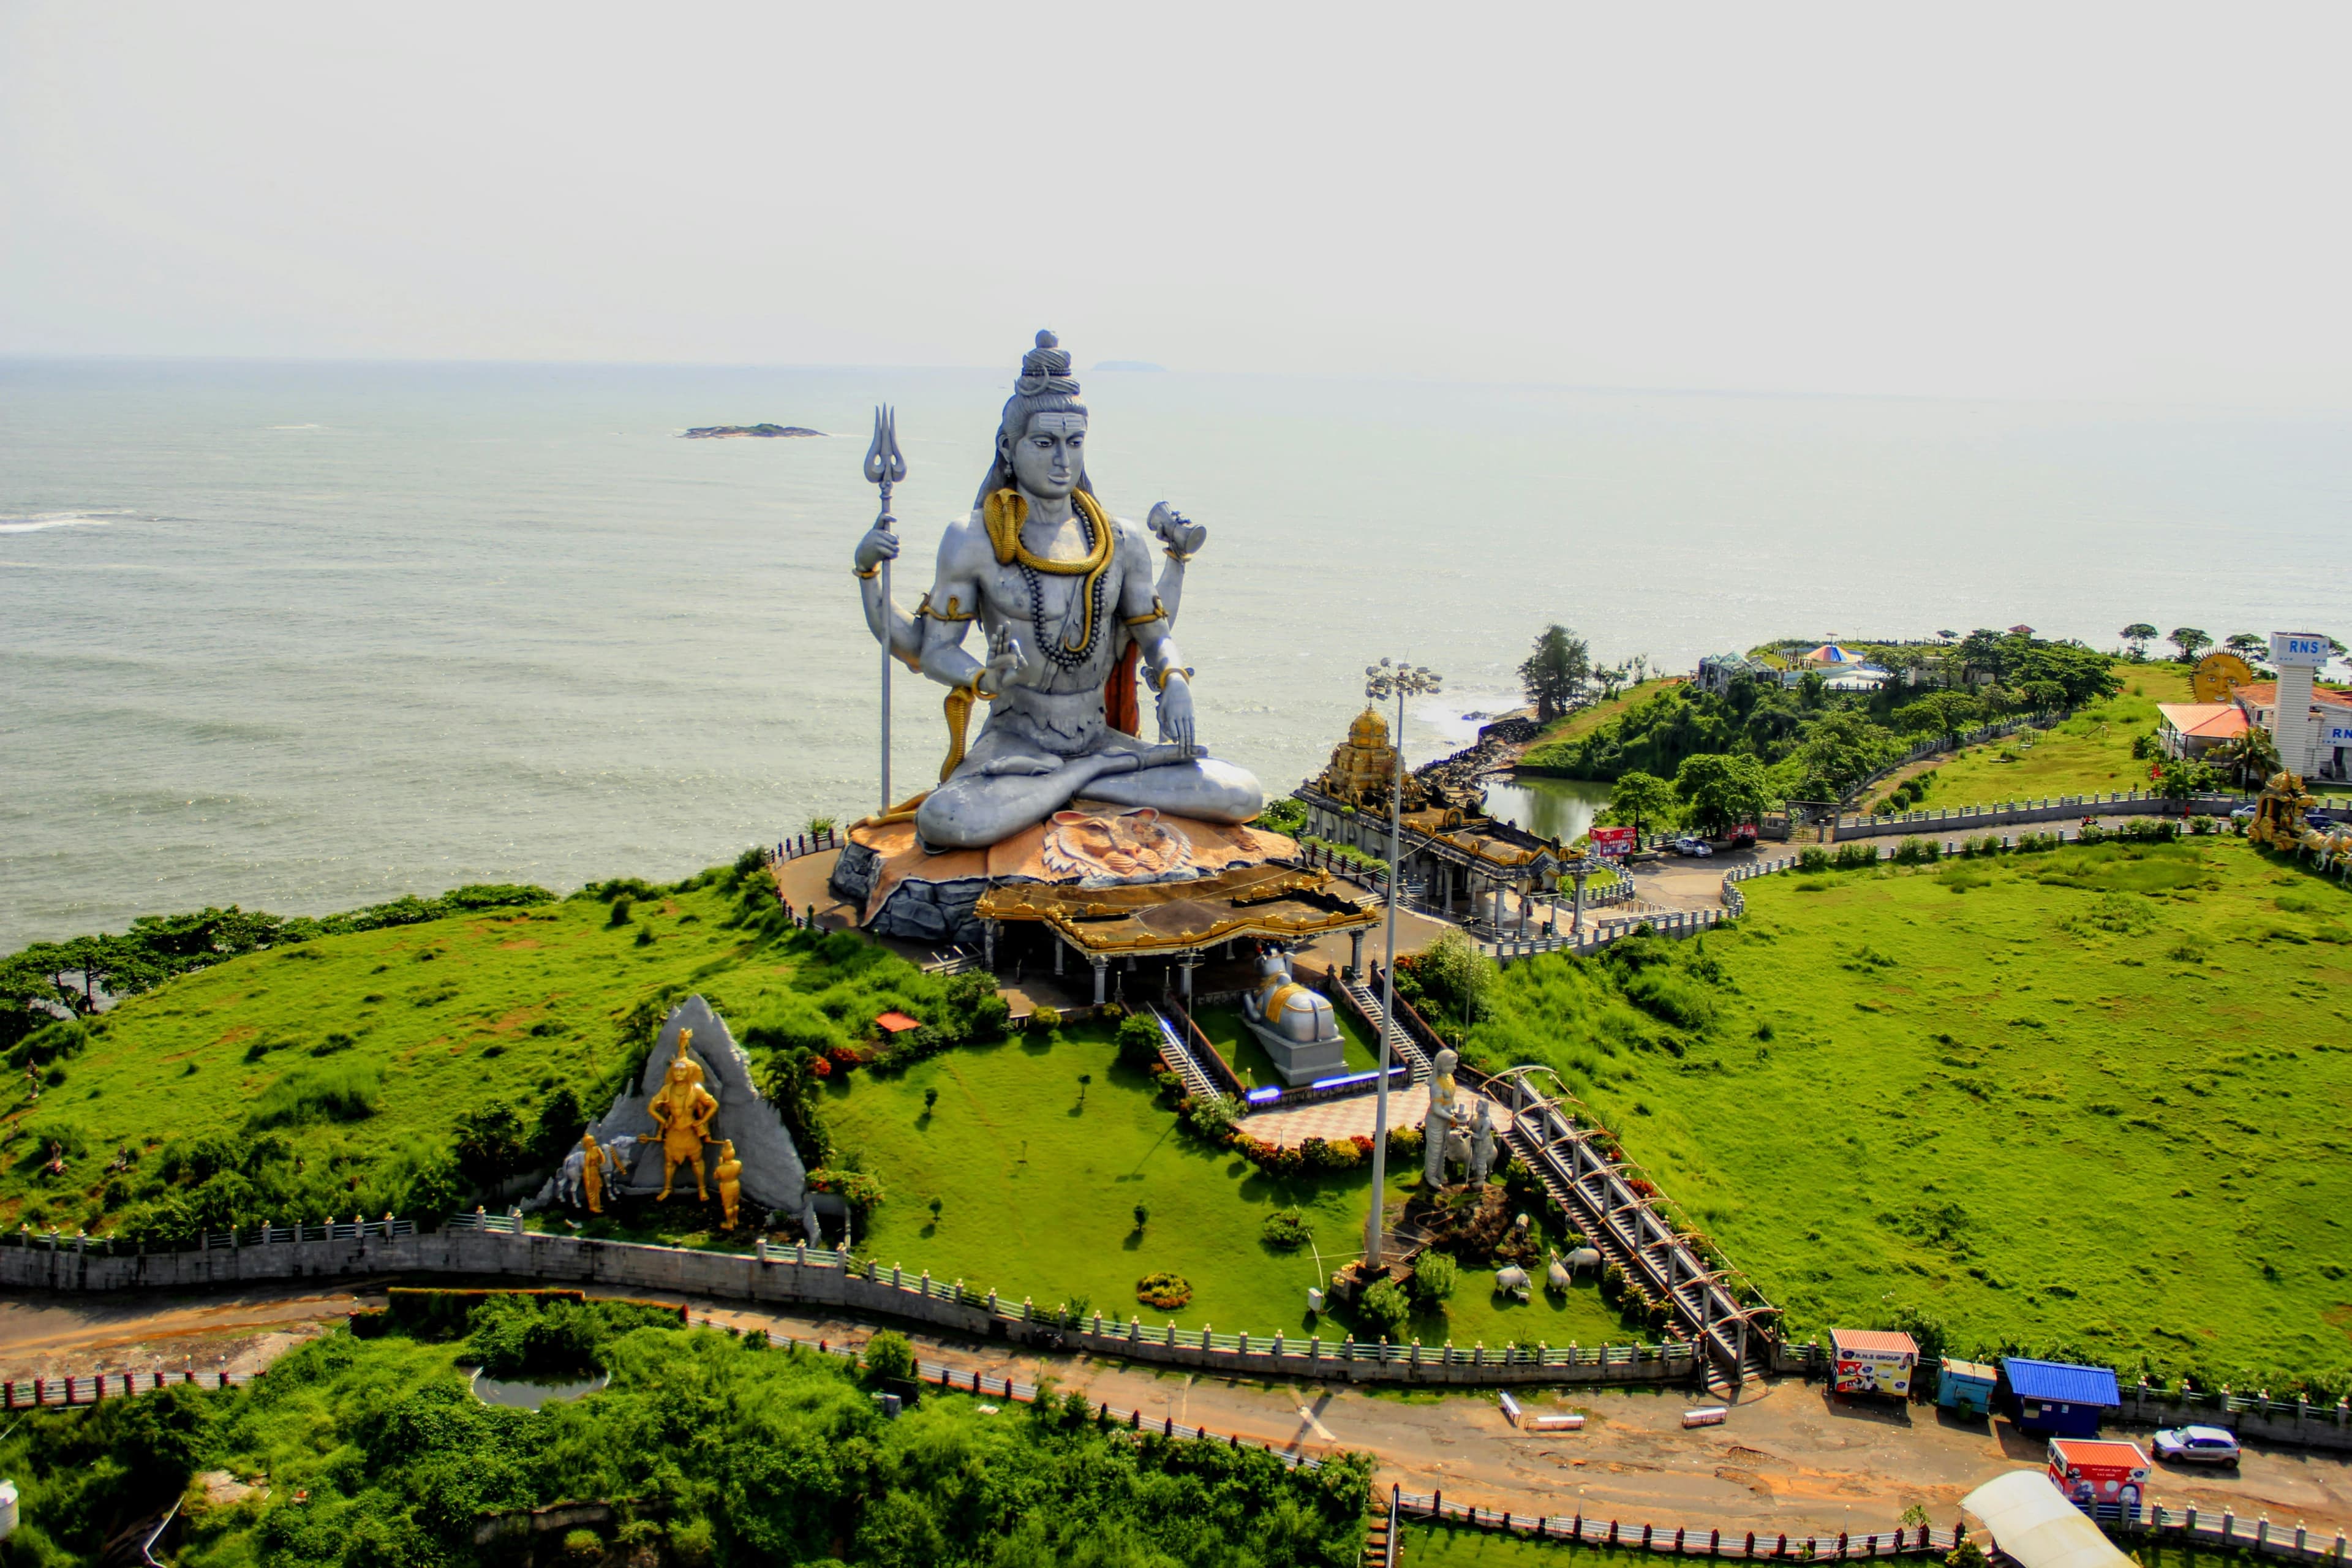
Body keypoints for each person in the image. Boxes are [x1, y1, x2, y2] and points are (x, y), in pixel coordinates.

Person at [852, 331, 1261, 850]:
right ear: (1009, 446)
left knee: (1239, 793)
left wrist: (1175, 676)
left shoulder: (1121, 539)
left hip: (1099, 738)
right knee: (948, 820)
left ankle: (1073, 780)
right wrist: (981, 676)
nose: (1062, 460)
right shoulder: (973, 538)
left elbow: (1154, 635)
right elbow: (932, 650)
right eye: (1044, 443)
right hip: (1015, 744)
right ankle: (1089, 781)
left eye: (1074, 443)